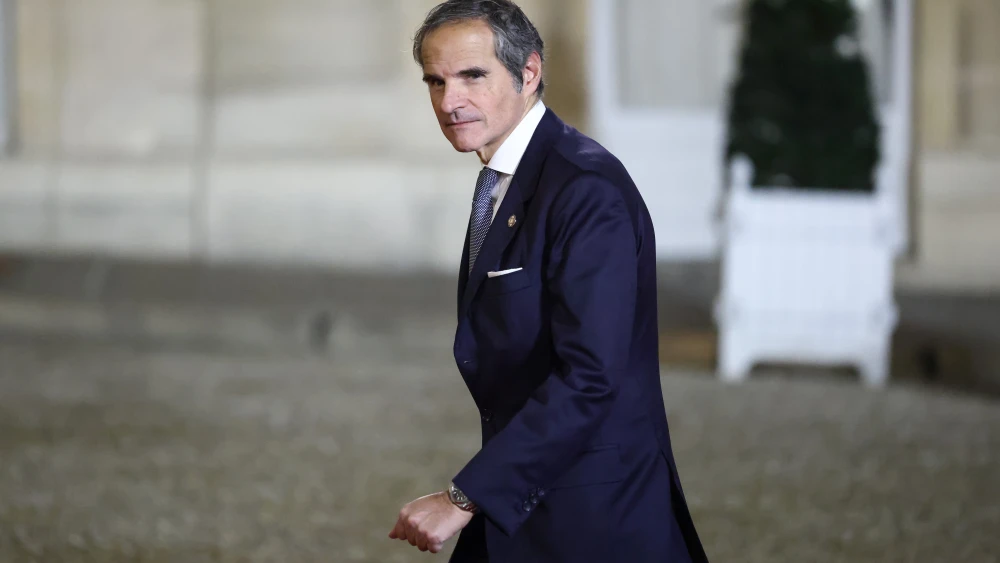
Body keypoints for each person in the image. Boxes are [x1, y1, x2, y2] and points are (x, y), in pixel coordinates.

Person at [388, 1, 708, 561]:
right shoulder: (510, 174)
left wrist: (463, 499)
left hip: (593, 520)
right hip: (524, 500)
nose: (448, 101)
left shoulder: (586, 189)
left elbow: (589, 377)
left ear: (529, 72)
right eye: (435, 81)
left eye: (472, 76)